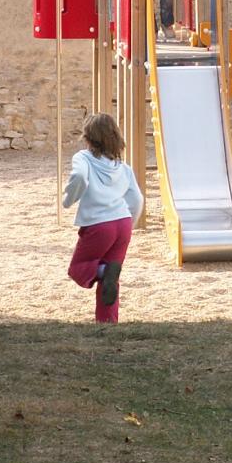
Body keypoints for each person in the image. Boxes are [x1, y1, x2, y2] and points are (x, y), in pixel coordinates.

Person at [62, 112, 143, 324]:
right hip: (123, 223)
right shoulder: (122, 167)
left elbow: (79, 176)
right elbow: (136, 198)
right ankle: (107, 323)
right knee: (111, 281)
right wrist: (130, 224)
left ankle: (104, 270)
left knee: (78, 269)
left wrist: (68, 199)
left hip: (99, 225)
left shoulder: (83, 158)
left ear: (88, 137)